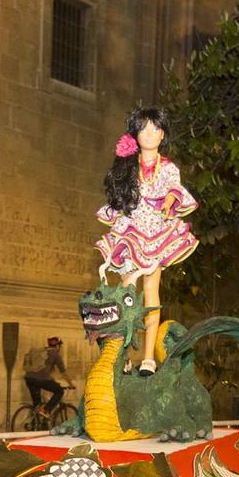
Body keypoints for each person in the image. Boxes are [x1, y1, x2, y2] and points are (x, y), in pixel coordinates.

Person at [96, 106, 198, 377]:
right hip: (130, 233)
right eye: (144, 129)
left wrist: (169, 200)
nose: (150, 134)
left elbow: (174, 189)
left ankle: (149, 357)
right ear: (136, 134)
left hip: (155, 233)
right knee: (127, 293)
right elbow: (118, 197)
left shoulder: (167, 168)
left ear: (162, 134)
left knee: (152, 292)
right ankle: (125, 353)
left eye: (155, 129)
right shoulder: (128, 166)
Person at [23, 336, 75, 416]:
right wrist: (71, 384)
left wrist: (51, 379)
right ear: (57, 346)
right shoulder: (55, 354)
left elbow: (43, 370)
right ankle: (45, 410)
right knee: (59, 391)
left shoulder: (42, 351)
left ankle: (34, 422)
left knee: (37, 405)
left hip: (29, 378)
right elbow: (63, 372)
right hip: (40, 380)